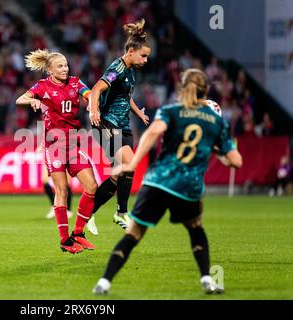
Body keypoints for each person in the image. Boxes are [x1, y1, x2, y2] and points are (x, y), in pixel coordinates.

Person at [92, 68, 243, 295]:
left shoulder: (171, 111)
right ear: (205, 90)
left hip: (158, 182)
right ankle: (206, 280)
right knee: (196, 229)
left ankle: (104, 282)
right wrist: (218, 149)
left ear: (182, 88)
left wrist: (132, 164)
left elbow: (152, 134)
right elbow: (236, 161)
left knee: (133, 234)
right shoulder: (217, 122)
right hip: (187, 186)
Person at [16, 49, 98, 254]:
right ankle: (65, 240)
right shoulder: (42, 86)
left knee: (92, 186)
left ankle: (78, 233)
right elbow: (20, 99)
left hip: (73, 142)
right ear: (50, 70)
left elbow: (88, 93)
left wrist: (91, 102)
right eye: (60, 66)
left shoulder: (75, 82)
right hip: (54, 145)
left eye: (66, 65)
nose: (64, 68)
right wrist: (33, 100)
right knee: (61, 190)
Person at [88, 19, 150, 233]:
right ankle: (121, 212)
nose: (146, 59)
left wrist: (138, 112)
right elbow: (96, 89)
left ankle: (88, 213)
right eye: (143, 55)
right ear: (131, 51)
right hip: (106, 123)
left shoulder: (132, 71)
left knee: (120, 173)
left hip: (123, 127)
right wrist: (93, 110)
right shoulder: (118, 67)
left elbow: (125, 97)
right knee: (128, 164)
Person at [37, 144, 74, 219]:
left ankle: (68, 210)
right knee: (44, 180)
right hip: (50, 153)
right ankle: (53, 206)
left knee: (66, 183)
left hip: (65, 151)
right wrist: (42, 145)